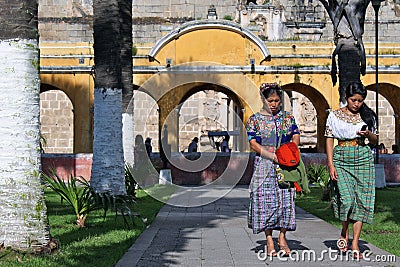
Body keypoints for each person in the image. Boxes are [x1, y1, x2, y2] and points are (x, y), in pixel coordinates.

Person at [246, 83, 300, 257]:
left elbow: (295, 134)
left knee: (286, 200)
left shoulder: (287, 118)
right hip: (264, 164)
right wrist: (272, 156)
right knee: (264, 202)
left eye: (277, 101)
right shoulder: (255, 120)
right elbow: (253, 143)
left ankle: (282, 237)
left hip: (285, 164)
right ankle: (269, 240)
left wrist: (290, 152)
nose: (274, 104)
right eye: (270, 101)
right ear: (263, 100)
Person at [325, 81, 377, 259]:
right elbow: (329, 139)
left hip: (363, 157)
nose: (357, 104)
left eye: (360, 100)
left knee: (362, 200)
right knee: (346, 200)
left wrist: (368, 134)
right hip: (341, 158)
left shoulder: (368, 115)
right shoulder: (334, 115)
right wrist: (331, 164)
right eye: (353, 100)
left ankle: (355, 241)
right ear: (346, 98)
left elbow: (376, 140)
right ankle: (344, 231)